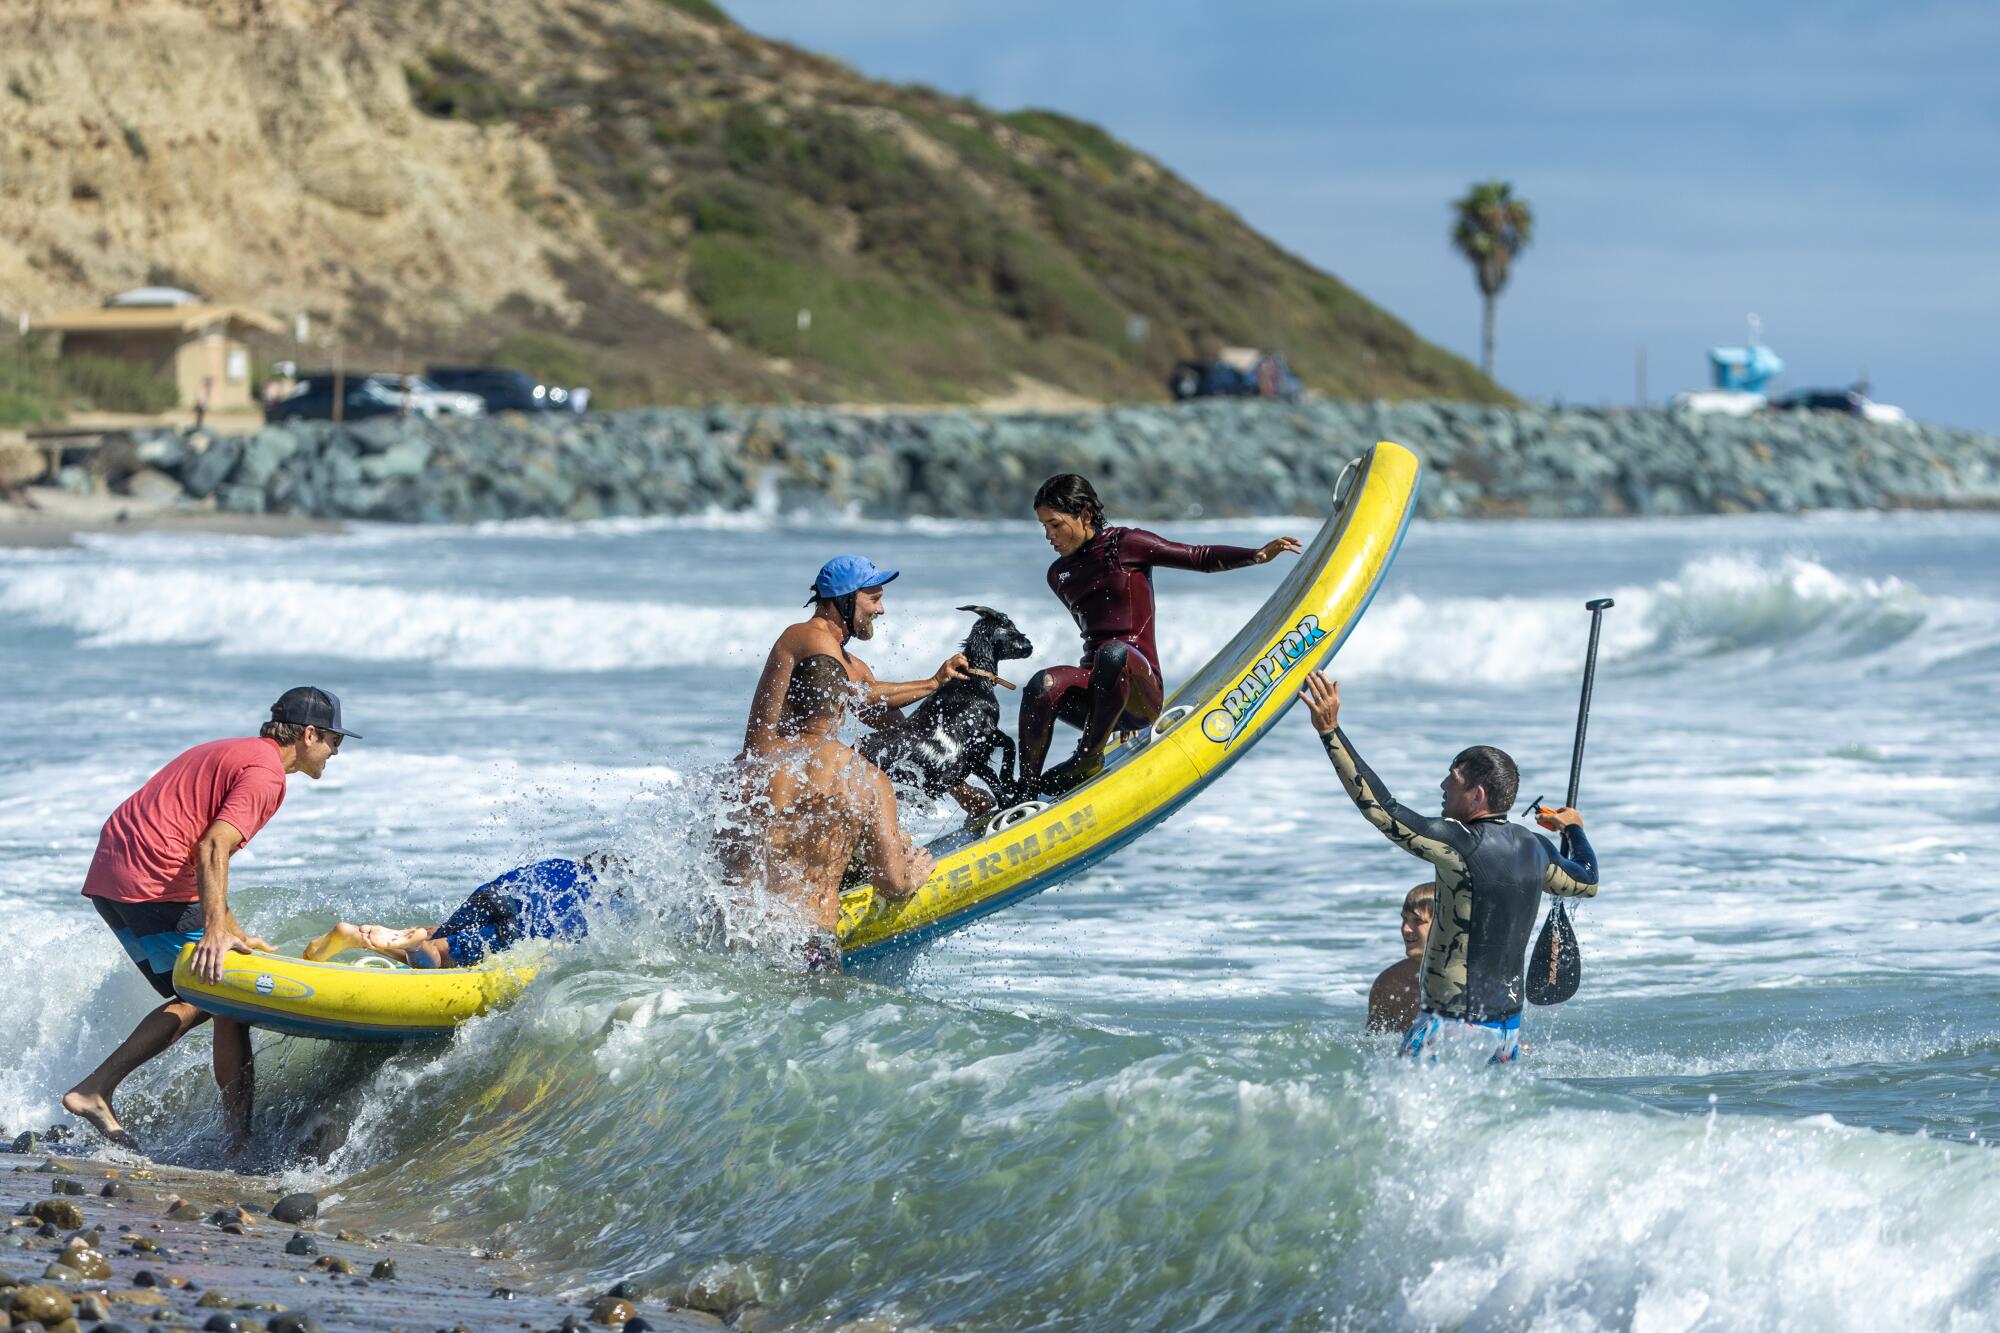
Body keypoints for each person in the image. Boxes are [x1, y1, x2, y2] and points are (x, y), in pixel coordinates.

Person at [63, 686, 356, 1151]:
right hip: (151, 878)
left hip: (112, 875)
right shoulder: (267, 776)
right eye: (333, 740)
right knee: (225, 992)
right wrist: (217, 932)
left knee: (201, 993)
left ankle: (104, 1091)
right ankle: (234, 1140)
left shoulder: (233, 752)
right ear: (307, 734)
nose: (336, 751)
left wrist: (232, 931)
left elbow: (195, 841)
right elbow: (211, 847)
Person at [1298, 671, 1597, 1063]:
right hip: (1505, 1034)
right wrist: (1574, 830)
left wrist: (1331, 733)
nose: (1443, 785)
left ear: (1478, 794)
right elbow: (1587, 881)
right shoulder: (1537, 850)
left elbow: (1382, 810)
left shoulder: (1461, 845)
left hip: (1448, 1028)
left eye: (1452, 779)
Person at [1022, 474, 1302, 795]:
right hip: (1105, 690)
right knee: (1041, 686)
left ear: (1085, 515)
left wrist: (1257, 555)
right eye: (1044, 527)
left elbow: (1197, 556)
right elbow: (1094, 635)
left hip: (1141, 693)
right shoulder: (1058, 574)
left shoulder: (1125, 544)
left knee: (1114, 653)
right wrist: (1107, 708)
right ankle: (1024, 792)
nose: (1049, 535)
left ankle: (1087, 758)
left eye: (1055, 525)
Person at [723, 653, 934, 970]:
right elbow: (890, 883)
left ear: (790, 704)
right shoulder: (865, 780)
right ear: (841, 707)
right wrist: (911, 877)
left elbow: (721, 855)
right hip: (805, 940)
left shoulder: (749, 767)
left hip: (732, 931)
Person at [742, 555, 969, 757]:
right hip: (763, 767)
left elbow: (898, 730)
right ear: (844, 600)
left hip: (800, 767)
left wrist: (959, 789)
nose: (881, 610)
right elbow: (865, 696)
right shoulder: (808, 635)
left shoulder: (850, 664)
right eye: (874, 599)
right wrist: (934, 682)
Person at [305, 852, 623, 968]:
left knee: (443, 934)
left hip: (493, 894)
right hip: (518, 923)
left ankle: (358, 934)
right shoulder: (599, 900)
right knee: (440, 956)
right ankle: (416, 945)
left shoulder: (561, 865)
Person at [1366, 882, 1435, 1034]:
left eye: (1417, 921)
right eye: (1405, 920)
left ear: (1444, 924)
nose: (1405, 929)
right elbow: (1370, 1046)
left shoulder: (1473, 981)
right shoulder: (1391, 983)